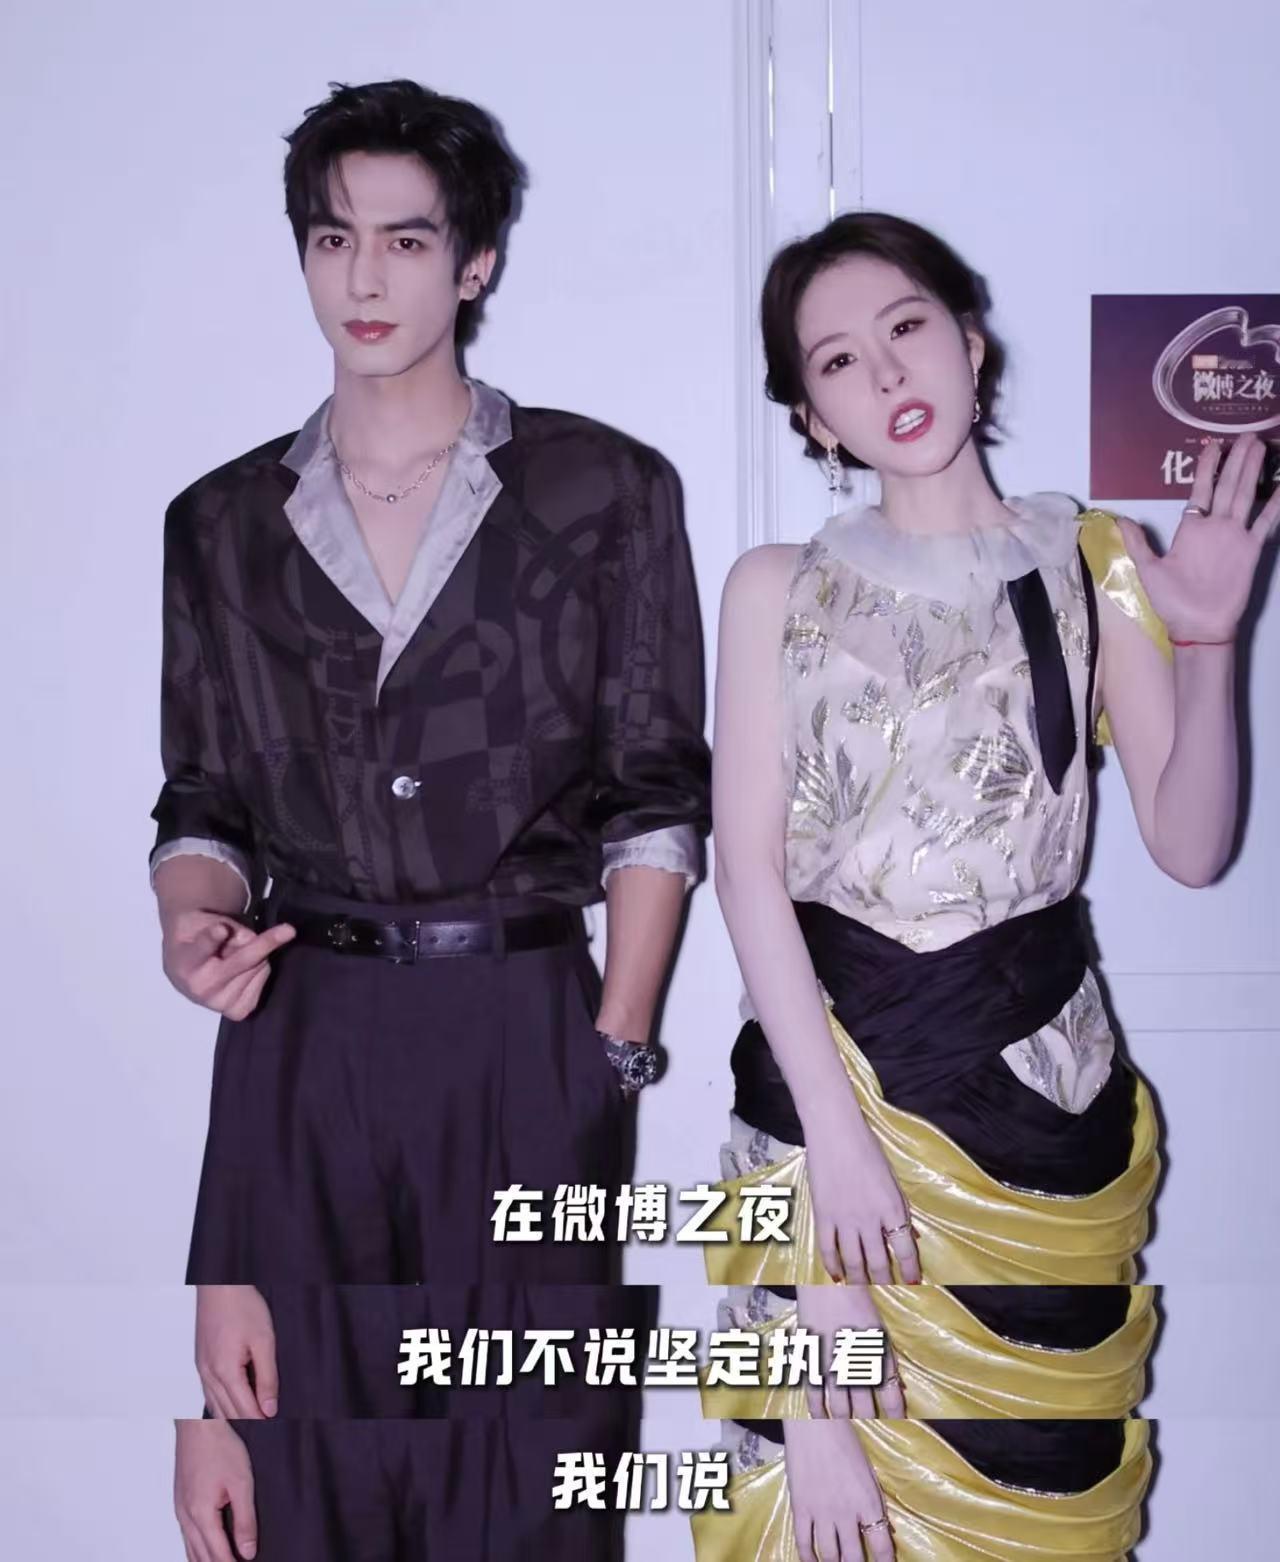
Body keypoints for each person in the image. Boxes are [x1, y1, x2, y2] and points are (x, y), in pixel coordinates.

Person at [153, 79, 711, 1561]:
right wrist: (190, 919)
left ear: (474, 261)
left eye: (406, 240)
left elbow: (656, 791)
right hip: (302, 1040)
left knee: (538, 1482)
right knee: (301, 1473)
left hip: (525, 1026)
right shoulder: (219, 525)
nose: (365, 276)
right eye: (333, 238)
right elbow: (203, 796)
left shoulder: (604, 492)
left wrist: (610, 1048)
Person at [691, 211, 1278, 1562]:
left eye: (906, 328)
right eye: (838, 361)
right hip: (827, 1103)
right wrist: (837, 1155)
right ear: (815, 416)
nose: (887, 373)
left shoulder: (1094, 560)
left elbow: (1192, 843)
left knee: (1043, 1513)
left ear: (970, 341)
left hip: (1039, 1110)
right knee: (821, 1514)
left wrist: (1209, 638)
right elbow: (748, 873)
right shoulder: (776, 587)